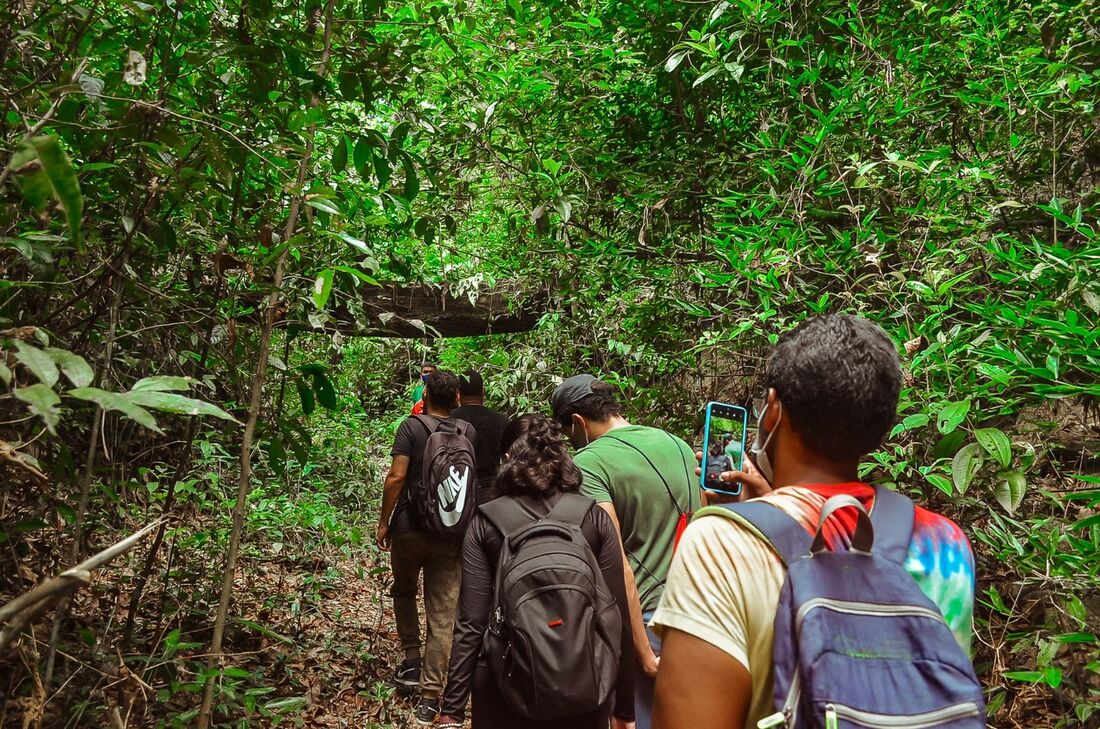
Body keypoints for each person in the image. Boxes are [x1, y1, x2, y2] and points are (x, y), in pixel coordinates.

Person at [651, 315, 978, 729]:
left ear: (773, 409)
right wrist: (767, 509)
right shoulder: (945, 541)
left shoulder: (721, 541)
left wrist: (755, 517)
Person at [435, 415, 635, 729]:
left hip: (504, 689)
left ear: (505, 460)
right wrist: (625, 708)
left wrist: (453, 709)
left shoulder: (485, 523)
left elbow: (471, 622)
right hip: (585, 683)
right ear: (563, 461)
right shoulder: (593, 519)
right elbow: (616, 616)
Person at [551, 375, 700, 729]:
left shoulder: (590, 463)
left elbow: (616, 563)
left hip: (647, 618)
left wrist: (645, 655)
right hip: (698, 609)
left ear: (577, 422)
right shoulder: (676, 442)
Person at [377, 370, 476, 726]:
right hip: (450, 535)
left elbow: (396, 476)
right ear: (458, 400)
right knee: (443, 613)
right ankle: (431, 698)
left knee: (403, 591)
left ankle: (410, 660)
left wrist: (384, 521)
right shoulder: (469, 432)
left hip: (408, 530)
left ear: (426, 395)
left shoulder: (411, 427)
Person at [450, 369, 510, 504]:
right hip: (491, 490)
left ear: (458, 394)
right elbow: (508, 459)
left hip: (455, 488)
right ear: (483, 391)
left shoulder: (449, 420)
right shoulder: (501, 421)